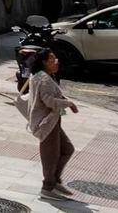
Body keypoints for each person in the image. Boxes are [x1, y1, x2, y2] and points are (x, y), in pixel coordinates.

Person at [24, 50, 78, 200]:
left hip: (52, 122)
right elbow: (48, 101)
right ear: (44, 62)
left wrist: (61, 97)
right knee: (51, 156)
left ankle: (54, 181)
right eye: (53, 59)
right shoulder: (43, 79)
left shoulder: (42, 76)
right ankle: (48, 188)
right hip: (46, 123)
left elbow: (47, 95)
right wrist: (69, 103)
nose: (57, 61)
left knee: (67, 149)